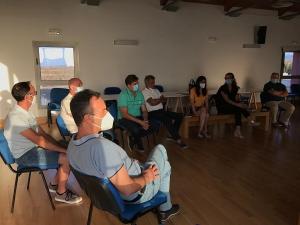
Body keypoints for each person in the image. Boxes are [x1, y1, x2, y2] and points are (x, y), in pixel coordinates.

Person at [67, 89, 180, 222]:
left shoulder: (72, 145)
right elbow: (128, 189)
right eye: (103, 110)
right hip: (135, 193)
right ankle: (165, 209)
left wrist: (127, 162)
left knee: (159, 164)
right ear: (88, 118)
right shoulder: (103, 148)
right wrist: (146, 177)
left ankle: (165, 207)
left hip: (104, 197)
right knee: (161, 153)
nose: (108, 114)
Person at [4, 81, 82, 204]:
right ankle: (61, 194)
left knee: (63, 147)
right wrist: (64, 150)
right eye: (34, 93)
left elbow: (43, 134)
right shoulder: (16, 117)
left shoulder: (26, 112)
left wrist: (59, 145)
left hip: (33, 149)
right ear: (27, 97)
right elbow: (40, 141)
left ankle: (54, 184)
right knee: (67, 157)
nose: (35, 95)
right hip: (25, 157)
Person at [142, 75, 187, 149]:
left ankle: (173, 135)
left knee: (180, 116)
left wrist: (157, 100)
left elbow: (164, 100)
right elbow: (152, 103)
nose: (154, 84)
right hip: (152, 113)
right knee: (167, 120)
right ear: (146, 83)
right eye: (151, 82)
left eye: (154, 82)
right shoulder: (144, 92)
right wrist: (159, 100)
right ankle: (178, 140)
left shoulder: (156, 90)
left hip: (161, 111)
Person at [117, 74, 156, 151]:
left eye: (137, 83)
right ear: (128, 85)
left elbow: (144, 110)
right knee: (136, 129)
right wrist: (141, 122)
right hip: (124, 118)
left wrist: (145, 120)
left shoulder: (139, 94)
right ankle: (138, 143)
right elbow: (124, 114)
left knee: (154, 125)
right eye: (135, 84)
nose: (137, 85)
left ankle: (133, 138)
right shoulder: (123, 95)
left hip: (137, 117)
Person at [216, 73, 258, 138]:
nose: (227, 79)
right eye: (226, 78)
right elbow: (227, 100)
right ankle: (250, 121)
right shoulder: (223, 88)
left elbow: (234, 99)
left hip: (231, 106)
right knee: (238, 107)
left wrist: (242, 103)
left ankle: (238, 130)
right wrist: (239, 105)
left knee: (238, 108)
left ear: (232, 79)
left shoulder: (235, 87)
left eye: (229, 78)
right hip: (222, 107)